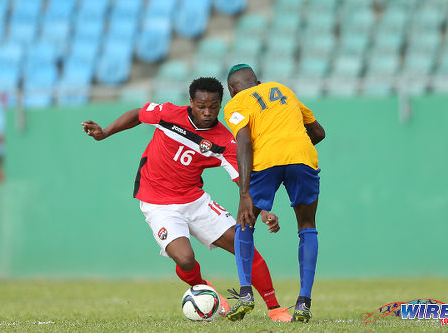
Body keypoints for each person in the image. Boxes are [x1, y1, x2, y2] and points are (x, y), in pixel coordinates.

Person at [81, 77, 292, 322]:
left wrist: (264, 211)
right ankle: (204, 289)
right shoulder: (168, 114)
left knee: (242, 245)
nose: (207, 112)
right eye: (201, 106)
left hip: (195, 201)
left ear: (220, 104)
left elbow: (242, 181)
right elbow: (138, 114)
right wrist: (105, 132)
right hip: (158, 203)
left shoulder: (224, 140)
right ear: (191, 102)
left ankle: (275, 308)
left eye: (213, 107)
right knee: (185, 258)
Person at [223, 65, 326, 323]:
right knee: (307, 226)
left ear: (231, 90)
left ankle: (246, 294)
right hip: (301, 157)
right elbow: (318, 133)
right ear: (258, 81)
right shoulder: (283, 90)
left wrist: (244, 192)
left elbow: (244, 142)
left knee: (244, 223)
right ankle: (303, 303)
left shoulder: (236, 104)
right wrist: (292, 151)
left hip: (266, 161)